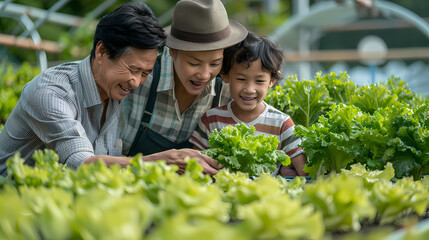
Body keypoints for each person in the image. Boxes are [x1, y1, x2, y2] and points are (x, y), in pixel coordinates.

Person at [0, 2, 217, 177]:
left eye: (145, 73)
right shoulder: (52, 93)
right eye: (133, 69)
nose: (136, 82)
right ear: (102, 51)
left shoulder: (113, 91)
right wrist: (160, 161)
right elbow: (83, 164)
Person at [120, 0, 248, 174]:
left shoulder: (227, 89)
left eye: (215, 63)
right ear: (172, 51)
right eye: (193, 63)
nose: (204, 74)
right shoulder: (141, 79)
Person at [189, 32, 308, 176]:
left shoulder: (282, 123)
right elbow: (194, 167)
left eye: (259, 81)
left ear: (271, 81)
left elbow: (305, 173)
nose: (249, 90)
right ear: (225, 76)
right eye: (241, 79)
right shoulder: (211, 119)